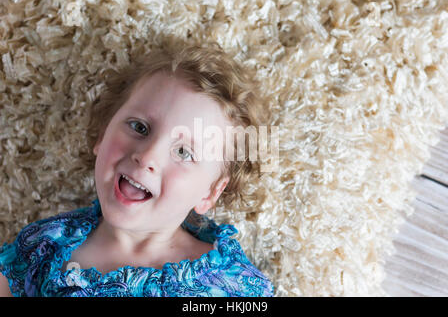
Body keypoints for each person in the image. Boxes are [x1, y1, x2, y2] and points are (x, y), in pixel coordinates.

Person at [0, 43, 274, 297]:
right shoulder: (43, 247)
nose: (147, 156)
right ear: (103, 134)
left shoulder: (233, 286)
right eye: (140, 127)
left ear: (210, 193)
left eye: (183, 152)